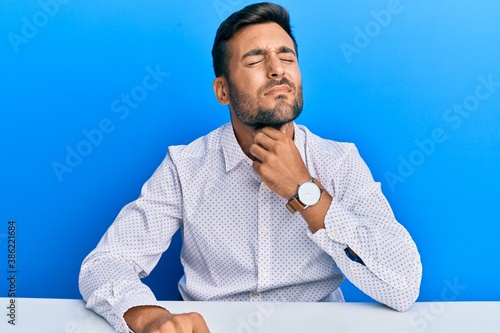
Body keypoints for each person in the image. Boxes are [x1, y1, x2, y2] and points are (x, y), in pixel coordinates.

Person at [79, 2, 422, 332]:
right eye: (256, 59)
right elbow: (105, 263)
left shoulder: (339, 161)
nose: (277, 69)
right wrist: (149, 318)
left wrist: (305, 190)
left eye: (286, 56)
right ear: (223, 90)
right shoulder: (185, 166)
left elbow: (404, 284)